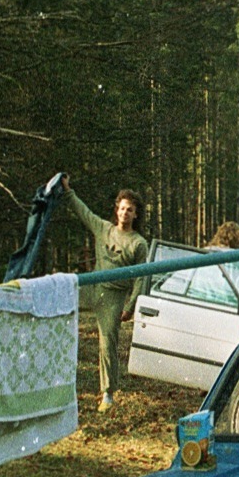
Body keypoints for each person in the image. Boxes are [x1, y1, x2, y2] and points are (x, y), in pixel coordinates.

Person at [62, 175, 148, 412]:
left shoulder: (139, 243)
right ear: (116, 210)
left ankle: (107, 393)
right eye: (121, 208)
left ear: (135, 214)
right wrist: (68, 191)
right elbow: (84, 212)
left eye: (129, 210)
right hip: (93, 288)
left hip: (115, 295)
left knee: (107, 342)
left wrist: (130, 306)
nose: (124, 213)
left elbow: (142, 277)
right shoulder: (104, 229)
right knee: (57, 308)